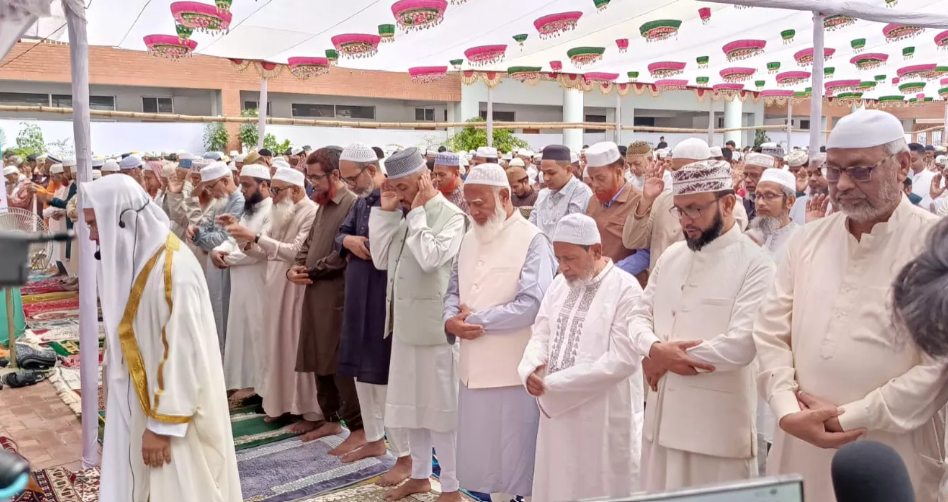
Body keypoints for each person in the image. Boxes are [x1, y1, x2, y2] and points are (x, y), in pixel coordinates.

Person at [755, 109, 948, 502]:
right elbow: (771, 330)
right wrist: (785, 406)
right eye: (833, 170)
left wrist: (851, 417)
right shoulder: (808, 241)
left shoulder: (936, 245)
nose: (842, 184)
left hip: (892, 450)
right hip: (799, 440)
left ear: (902, 165)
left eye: (861, 171)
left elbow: (937, 368)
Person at [84, 175, 241, 502]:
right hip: (145, 402)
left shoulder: (172, 272)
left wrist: (162, 427)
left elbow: (184, 356)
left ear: (122, 221)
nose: (92, 235)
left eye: (95, 224)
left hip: (174, 422)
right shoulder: (143, 261)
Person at [631, 159, 775, 492]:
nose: (686, 221)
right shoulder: (672, 256)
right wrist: (653, 348)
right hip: (660, 422)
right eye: (679, 211)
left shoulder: (756, 265)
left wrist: (664, 358)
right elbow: (638, 316)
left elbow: (741, 345)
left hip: (715, 432)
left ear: (728, 203)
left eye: (695, 210)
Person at [444, 163, 556, 500]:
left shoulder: (533, 240)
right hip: (473, 372)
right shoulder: (468, 237)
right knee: (487, 465)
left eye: (480, 203)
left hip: (512, 372)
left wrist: (477, 321)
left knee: (517, 463)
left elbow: (533, 304)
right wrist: (450, 321)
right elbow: (453, 290)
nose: (473, 211)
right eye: (469, 203)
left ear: (504, 196)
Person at [519, 213, 644, 502]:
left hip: (602, 415)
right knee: (558, 482)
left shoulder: (625, 289)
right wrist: (529, 369)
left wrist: (555, 384)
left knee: (597, 485)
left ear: (596, 251)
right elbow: (541, 332)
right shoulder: (559, 284)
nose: (562, 267)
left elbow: (623, 359)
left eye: (570, 259)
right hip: (556, 415)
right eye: (559, 258)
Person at [368, 147, 467, 502]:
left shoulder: (451, 216)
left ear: (426, 180)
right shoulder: (404, 215)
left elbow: (430, 259)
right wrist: (386, 213)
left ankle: (452, 486)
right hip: (405, 329)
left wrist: (420, 211)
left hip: (436, 330)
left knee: (441, 412)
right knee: (413, 409)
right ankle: (421, 476)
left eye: (405, 187)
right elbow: (380, 259)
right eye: (393, 186)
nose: (400, 193)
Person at [333, 143, 412, 484]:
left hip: (386, 298)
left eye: (352, 178)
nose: (349, 185)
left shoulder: (398, 200)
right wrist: (349, 243)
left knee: (385, 377)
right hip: (358, 297)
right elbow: (340, 235)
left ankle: (405, 456)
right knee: (361, 375)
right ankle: (375, 440)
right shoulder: (362, 201)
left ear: (370, 169)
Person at [226, 167, 323, 426]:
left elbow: (295, 252)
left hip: (295, 288)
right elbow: (263, 251)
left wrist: (255, 237)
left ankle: (308, 411)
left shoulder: (311, 212)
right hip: (274, 288)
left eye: (278, 190)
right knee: (275, 348)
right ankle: (280, 404)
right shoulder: (280, 211)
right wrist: (241, 238)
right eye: (274, 190)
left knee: (294, 349)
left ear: (297, 190)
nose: (274, 195)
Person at [287, 147, 364, 453]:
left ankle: (357, 428)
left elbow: (343, 254)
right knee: (318, 356)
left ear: (336, 175)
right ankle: (330, 418)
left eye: (316, 177)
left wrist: (312, 271)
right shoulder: (322, 205)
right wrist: (297, 268)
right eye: (309, 176)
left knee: (338, 362)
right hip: (316, 291)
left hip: (338, 295)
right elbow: (307, 245)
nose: (312, 184)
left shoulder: (352, 204)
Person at [622, 138, 748, 271]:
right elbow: (632, 241)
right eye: (676, 171)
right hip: (660, 285)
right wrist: (646, 200)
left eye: (687, 171)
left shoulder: (728, 205)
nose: (681, 177)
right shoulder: (663, 200)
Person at [212, 163, 273, 401]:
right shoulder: (248, 211)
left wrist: (229, 257)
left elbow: (261, 247)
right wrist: (219, 249)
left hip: (259, 282)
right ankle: (243, 382)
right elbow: (232, 237)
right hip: (240, 282)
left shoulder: (271, 211)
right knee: (241, 332)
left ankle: (260, 386)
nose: (242, 190)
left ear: (264, 185)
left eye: (247, 185)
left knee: (258, 334)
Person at [187, 162, 245, 352]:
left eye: (212, 187)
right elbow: (209, 227)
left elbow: (224, 238)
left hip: (227, 268)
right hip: (214, 269)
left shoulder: (239, 202)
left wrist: (198, 237)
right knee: (215, 316)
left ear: (225, 180)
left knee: (226, 318)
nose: (210, 193)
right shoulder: (221, 202)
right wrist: (196, 231)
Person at [583, 142, 648, 284]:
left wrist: (610, 271)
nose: (595, 185)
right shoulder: (594, 200)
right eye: (592, 179)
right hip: (594, 280)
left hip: (625, 285)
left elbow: (645, 255)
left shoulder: (639, 202)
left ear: (618, 173)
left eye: (600, 178)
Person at [529, 145, 593, 235]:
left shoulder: (580, 192)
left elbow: (572, 233)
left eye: (551, 173)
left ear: (568, 170)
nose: (546, 178)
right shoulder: (543, 194)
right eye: (543, 173)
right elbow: (531, 227)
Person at [747, 169, 799, 259]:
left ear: (790, 201)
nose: (760, 203)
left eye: (769, 196)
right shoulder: (749, 237)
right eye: (757, 196)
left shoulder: (801, 239)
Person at [741, 153, 776, 222]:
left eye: (754, 175)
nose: (747, 180)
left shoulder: (777, 206)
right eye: (745, 175)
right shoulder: (744, 203)